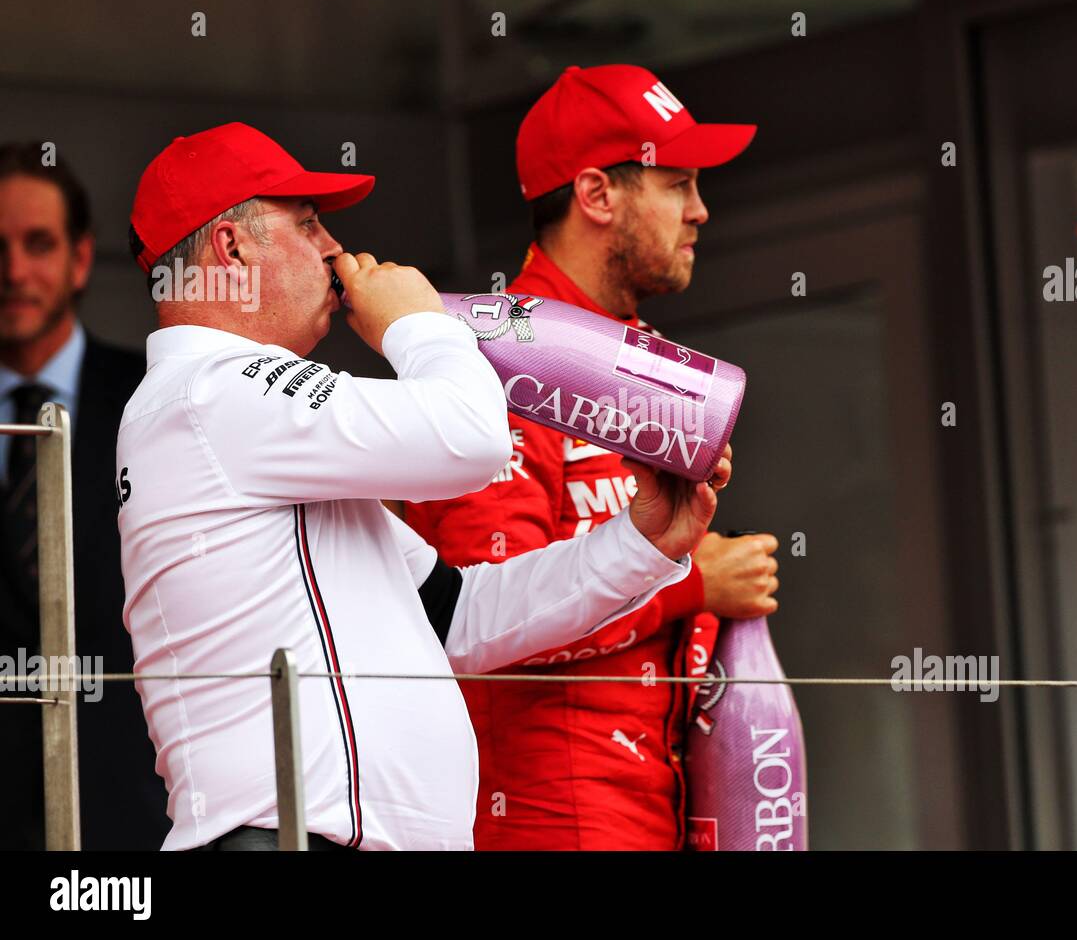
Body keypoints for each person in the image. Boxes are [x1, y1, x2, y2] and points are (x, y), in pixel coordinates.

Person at [119, 121, 730, 850]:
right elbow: (471, 438)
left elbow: (461, 616)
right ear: (233, 248)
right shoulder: (211, 390)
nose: (335, 252)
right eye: (309, 225)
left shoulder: (252, 419)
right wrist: (418, 322)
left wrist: (641, 541)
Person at [403, 64, 779, 850]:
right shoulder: (500, 365)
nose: (701, 211)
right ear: (598, 195)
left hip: (649, 810)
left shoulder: (637, 358)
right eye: (676, 184)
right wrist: (697, 581)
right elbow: (477, 624)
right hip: (546, 822)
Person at [0, 142, 169, 850]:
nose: (13, 271)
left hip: (134, 805)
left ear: (78, 260)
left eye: (38, 244)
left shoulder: (156, 402)